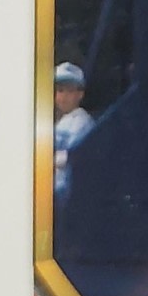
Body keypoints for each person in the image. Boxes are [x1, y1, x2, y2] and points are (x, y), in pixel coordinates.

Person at [54, 62, 95, 197]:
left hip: (67, 192)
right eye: (60, 90)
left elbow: (75, 157)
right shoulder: (56, 120)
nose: (64, 97)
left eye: (70, 91)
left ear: (80, 94)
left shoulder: (82, 123)